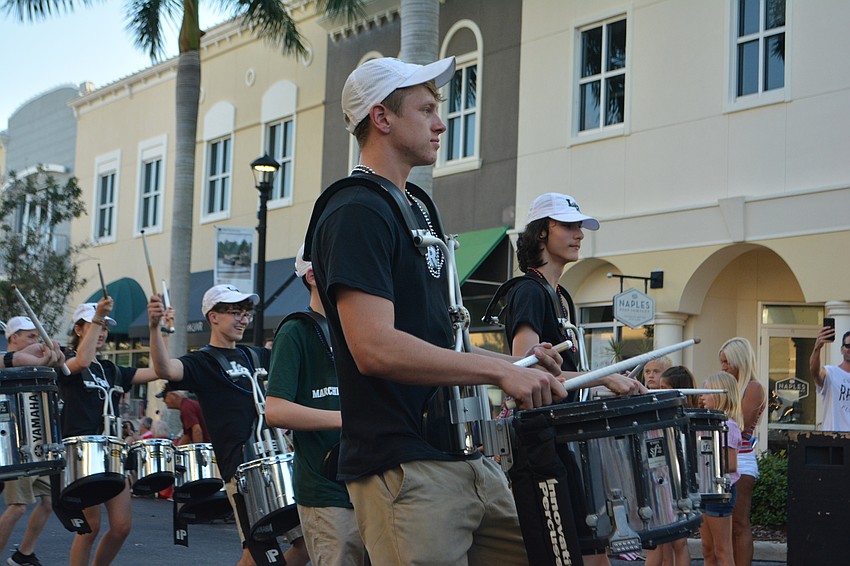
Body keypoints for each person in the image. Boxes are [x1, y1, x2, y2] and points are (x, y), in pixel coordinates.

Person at [309, 56, 568, 565]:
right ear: (382, 117)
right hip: (403, 467)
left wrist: (522, 365)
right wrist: (499, 372)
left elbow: (443, 341)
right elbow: (374, 347)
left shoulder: (418, 207)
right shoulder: (355, 209)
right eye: (426, 109)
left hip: (468, 459)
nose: (441, 122)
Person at [503, 192, 646, 564]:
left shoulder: (559, 295)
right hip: (540, 447)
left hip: (565, 440)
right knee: (564, 557)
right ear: (541, 233)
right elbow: (524, 370)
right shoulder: (529, 291)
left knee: (595, 553)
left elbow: (561, 377)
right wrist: (601, 378)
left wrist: (610, 382)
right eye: (567, 226)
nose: (579, 234)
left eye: (579, 226)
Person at [148, 285, 309, 566]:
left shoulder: (255, 356)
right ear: (213, 317)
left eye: (246, 313)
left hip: (277, 460)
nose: (243, 319)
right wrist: (154, 328)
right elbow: (165, 369)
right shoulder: (202, 362)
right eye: (235, 312)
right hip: (243, 469)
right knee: (261, 555)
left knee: (304, 545)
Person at [264, 246, 366, 565]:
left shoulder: (359, 329)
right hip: (326, 488)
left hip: (370, 482)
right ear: (312, 276)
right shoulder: (296, 331)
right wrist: (347, 418)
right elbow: (275, 410)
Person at [59, 297, 174, 566]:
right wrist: (99, 315)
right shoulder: (66, 361)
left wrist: (162, 330)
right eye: (94, 326)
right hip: (83, 451)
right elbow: (82, 361)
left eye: (104, 328)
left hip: (112, 452)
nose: (101, 332)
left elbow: (159, 370)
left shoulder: (112, 370)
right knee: (90, 526)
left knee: (122, 526)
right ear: (79, 329)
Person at [0, 316, 65, 566]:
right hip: (14, 445)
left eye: (37, 336)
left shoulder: (36, 367)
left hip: (39, 442)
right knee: (17, 506)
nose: (36, 341)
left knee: (48, 501)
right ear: (13, 337)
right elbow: (11, 360)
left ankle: (24, 554)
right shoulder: (6, 362)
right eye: (30, 336)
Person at [718, 337, 765, 566]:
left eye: (727, 362)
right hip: (722, 457)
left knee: (739, 524)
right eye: (722, 362)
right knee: (725, 526)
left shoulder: (753, 387)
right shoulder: (731, 386)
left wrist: (718, 407)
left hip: (742, 458)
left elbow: (742, 426)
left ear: (740, 361)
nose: (723, 367)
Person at [648, 365, 698, 566]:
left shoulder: (686, 417)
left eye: (664, 388)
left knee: (679, 541)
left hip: (677, 482)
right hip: (661, 479)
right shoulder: (658, 413)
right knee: (660, 543)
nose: (659, 392)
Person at [698, 372, 742, 566]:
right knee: (707, 548)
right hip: (706, 488)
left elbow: (731, 464)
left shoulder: (728, 425)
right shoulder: (708, 423)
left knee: (722, 550)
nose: (702, 396)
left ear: (721, 395)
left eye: (707, 392)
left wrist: (702, 463)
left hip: (720, 490)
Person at [810, 327, 850, 431]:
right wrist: (817, 348)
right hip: (833, 437)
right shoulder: (830, 372)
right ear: (842, 349)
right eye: (848, 346)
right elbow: (815, 372)